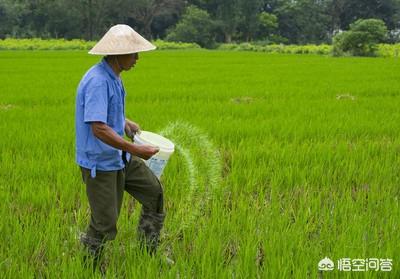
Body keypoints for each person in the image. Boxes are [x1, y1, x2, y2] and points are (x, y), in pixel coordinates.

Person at [75, 24, 165, 266]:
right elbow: (98, 128)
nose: (137, 59)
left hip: (119, 156)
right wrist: (135, 149)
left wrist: (124, 122)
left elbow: (105, 115)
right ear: (118, 54)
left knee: (153, 193)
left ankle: (148, 253)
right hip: (101, 163)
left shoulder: (113, 76)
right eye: (133, 54)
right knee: (104, 223)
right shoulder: (97, 81)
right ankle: (88, 267)